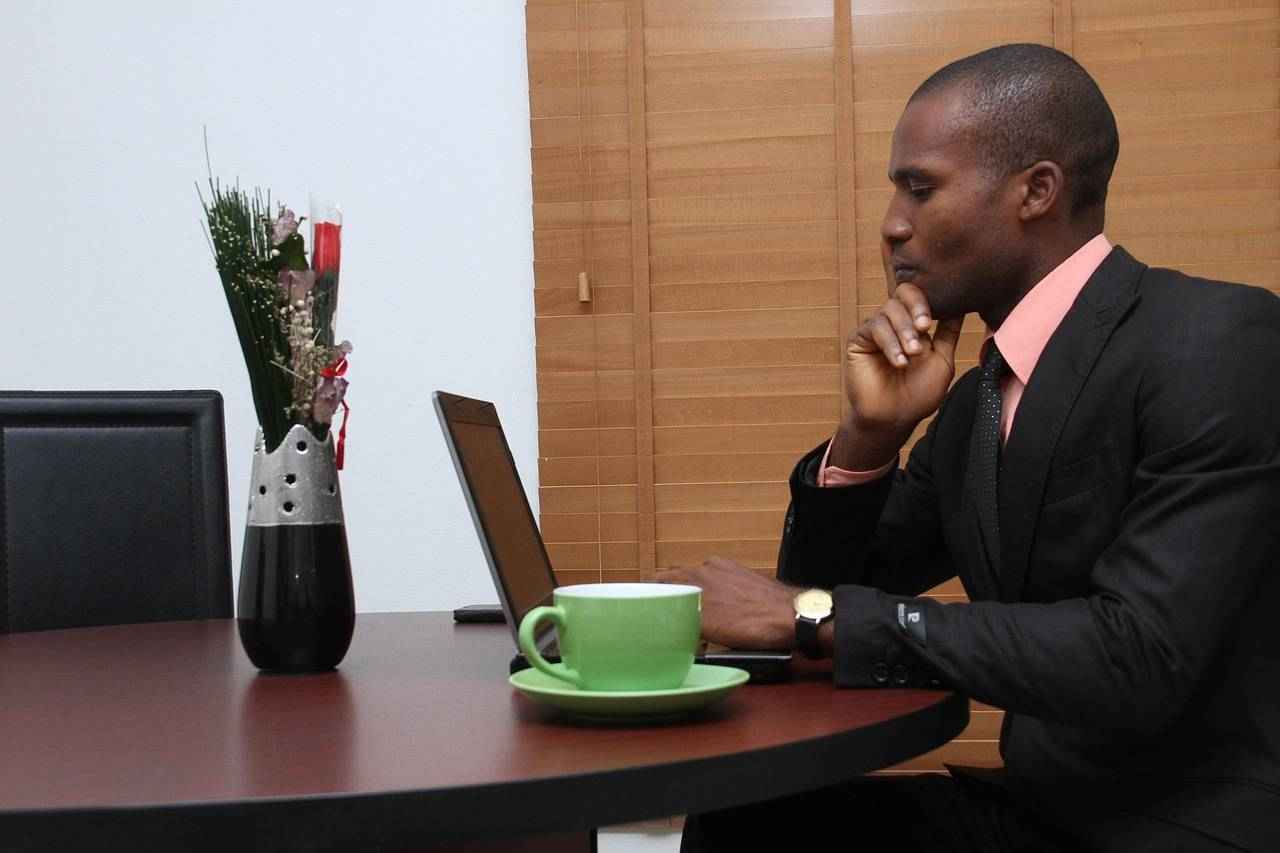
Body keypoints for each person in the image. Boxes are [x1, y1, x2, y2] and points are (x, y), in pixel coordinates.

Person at [656, 43, 1280, 852]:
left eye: (919, 188)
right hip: (1042, 813)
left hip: (1180, 828)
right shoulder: (978, 398)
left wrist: (812, 616)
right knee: (744, 818)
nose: (891, 224)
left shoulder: (1215, 340)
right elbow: (840, 585)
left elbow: (1138, 654)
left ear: (1037, 191)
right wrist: (870, 435)